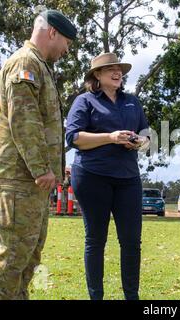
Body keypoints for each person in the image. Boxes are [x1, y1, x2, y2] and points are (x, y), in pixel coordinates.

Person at [0, 10, 77, 300]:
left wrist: (46, 170)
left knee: (28, 255)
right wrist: (40, 168)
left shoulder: (40, 66)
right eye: (67, 43)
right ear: (52, 33)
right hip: (17, 177)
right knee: (13, 256)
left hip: (30, 181)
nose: (66, 50)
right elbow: (23, 120)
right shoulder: (25, 63)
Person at [66, 52, 149, 300]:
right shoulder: (85, 101)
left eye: (119, 69)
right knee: (96, 240)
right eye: (110, 69)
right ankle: (96, 296)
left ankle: (132, 296)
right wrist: (110, 137)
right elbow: (74, 138)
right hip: (92, 177)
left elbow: (147, 135)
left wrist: (139, 142)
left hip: (128, 178)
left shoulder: (132, 101)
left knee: (132, 242)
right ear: (97, 75)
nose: (117, 73)